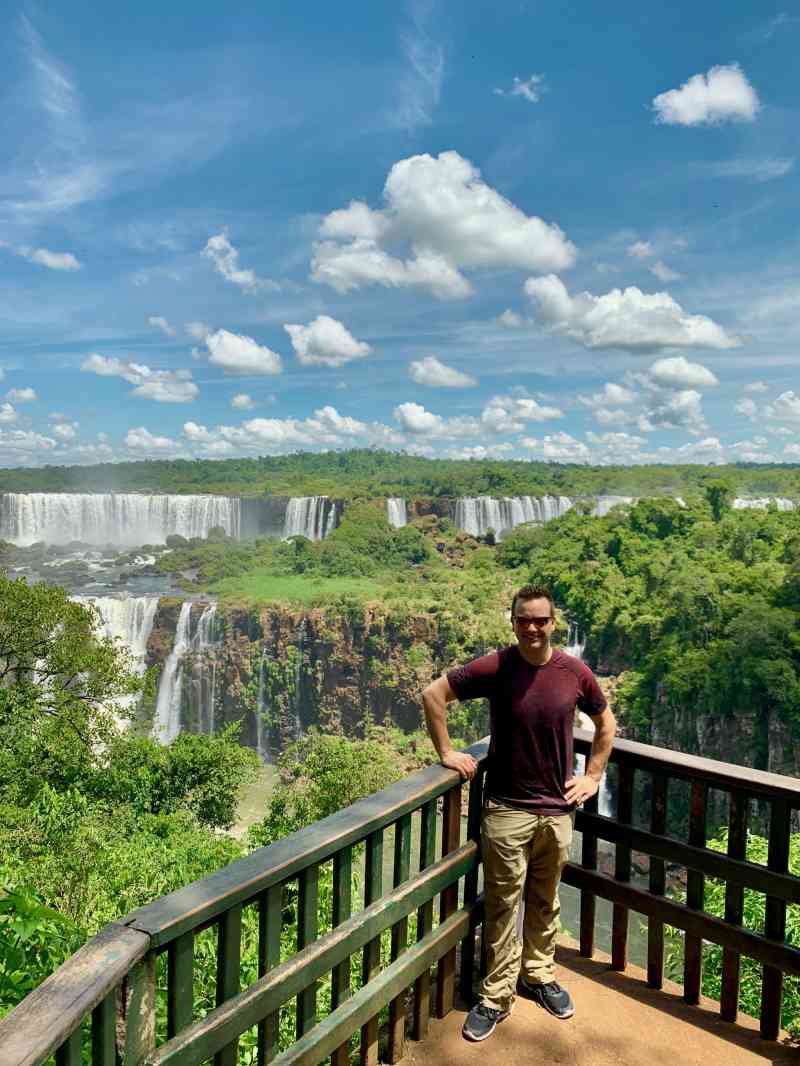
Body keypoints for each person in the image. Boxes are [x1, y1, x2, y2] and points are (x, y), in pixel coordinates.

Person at [422, 584, 616, 1043]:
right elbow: (433, 694)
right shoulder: (497, 666)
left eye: (540, 620)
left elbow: (606, 723)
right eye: (524, 620)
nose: (532, 627)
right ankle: (495, 996)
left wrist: (592, 778)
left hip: (558, 810)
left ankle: (538, 974)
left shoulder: (575, 672)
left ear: (553, 623)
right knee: (504, 903)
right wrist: (447, 751)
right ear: (513, 623)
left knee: (545, 899)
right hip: (508, 810)